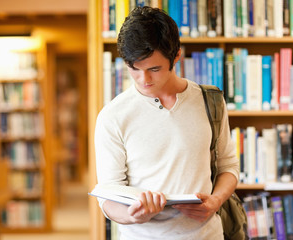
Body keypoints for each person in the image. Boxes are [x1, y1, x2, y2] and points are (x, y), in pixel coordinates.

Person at [94, 6, 239, 240]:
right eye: (134, 69)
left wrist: (215, 201)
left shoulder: (210, 101)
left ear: (177, 57)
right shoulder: (112, 116)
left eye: (154, 69)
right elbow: (108, 196)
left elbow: (228, 166)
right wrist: (133, 215)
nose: (144, 80)